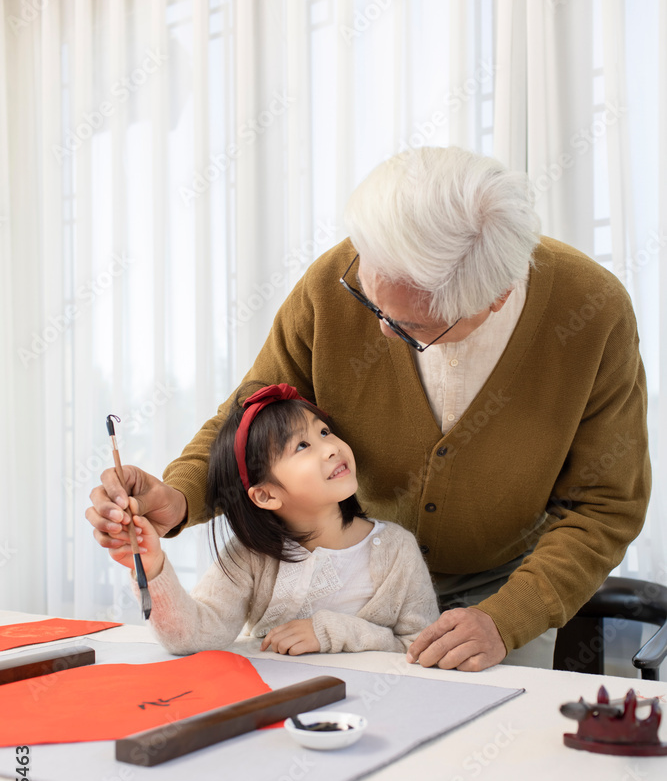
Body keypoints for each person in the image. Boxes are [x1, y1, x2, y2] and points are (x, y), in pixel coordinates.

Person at [87, 146, 651, 673]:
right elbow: (251, 412)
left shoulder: (592, 312)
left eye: (410, 326)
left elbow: (604, 506)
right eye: (369, 299)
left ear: (495, 297)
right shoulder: (335, 279)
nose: (380, 330)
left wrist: (507, 619)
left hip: (506, 583)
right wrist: (180, 496)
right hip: (356, 585)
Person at [105, 382, 440, 656]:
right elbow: (193, 636)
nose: (331, 448)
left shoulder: (397, 551)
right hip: (276, 704)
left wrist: (332, 632)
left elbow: (420, 648)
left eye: (324, 432)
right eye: (302, 446)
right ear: (265, 495)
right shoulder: (250, 555)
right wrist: (153, 568)